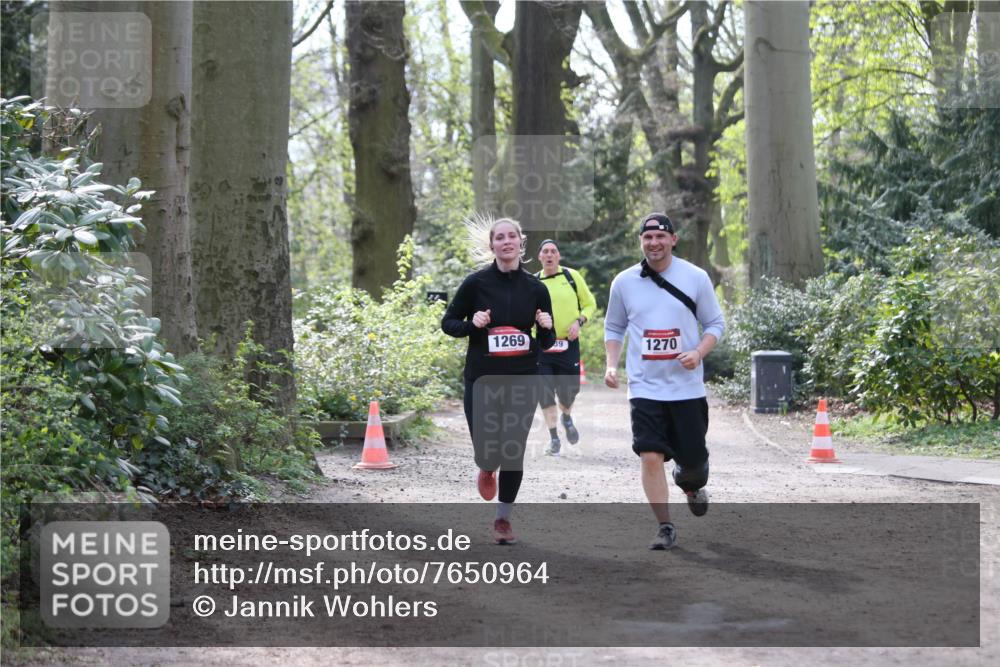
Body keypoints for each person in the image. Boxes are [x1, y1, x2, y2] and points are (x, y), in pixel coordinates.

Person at [604, 213, 725, 550]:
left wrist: (698, 352)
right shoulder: (624, 283)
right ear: (641, 242)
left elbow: (715, 323)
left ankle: (690, 484)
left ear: (673, 240)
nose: (653, 243)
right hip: (644, 386)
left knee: (694, 465)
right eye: (647, 238)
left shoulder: (695, 277)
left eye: (660, 237)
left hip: (686, 387)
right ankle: (665, 526)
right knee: (649, 454)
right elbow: (614, 328)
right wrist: (612, 366)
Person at [442, 216, 555, 545]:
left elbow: (546, 344)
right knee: (488, 450)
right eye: (500, 237)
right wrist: (472, 324)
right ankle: (487, 466)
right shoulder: (476, 284)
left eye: (512, 236)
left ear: (521, 242)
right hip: (483, 380)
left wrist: (546, 327)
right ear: (492, 245)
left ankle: (503, 520)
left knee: (514, 449)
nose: (506, 242)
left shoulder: (537, 289)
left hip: (523, 379)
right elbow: (448, 323)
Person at [535, 239, 597, 455]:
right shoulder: (534, 282)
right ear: (540, 257)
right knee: (544, 393)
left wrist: (579, 321)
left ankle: (567, 417)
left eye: (553, 251)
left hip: (568, 344)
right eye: (545, 252)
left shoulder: (571, 277)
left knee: (569, 391)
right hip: (542, 346)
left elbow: (590, 303)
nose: (550, 255)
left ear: (558, 256)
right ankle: (554, 439)